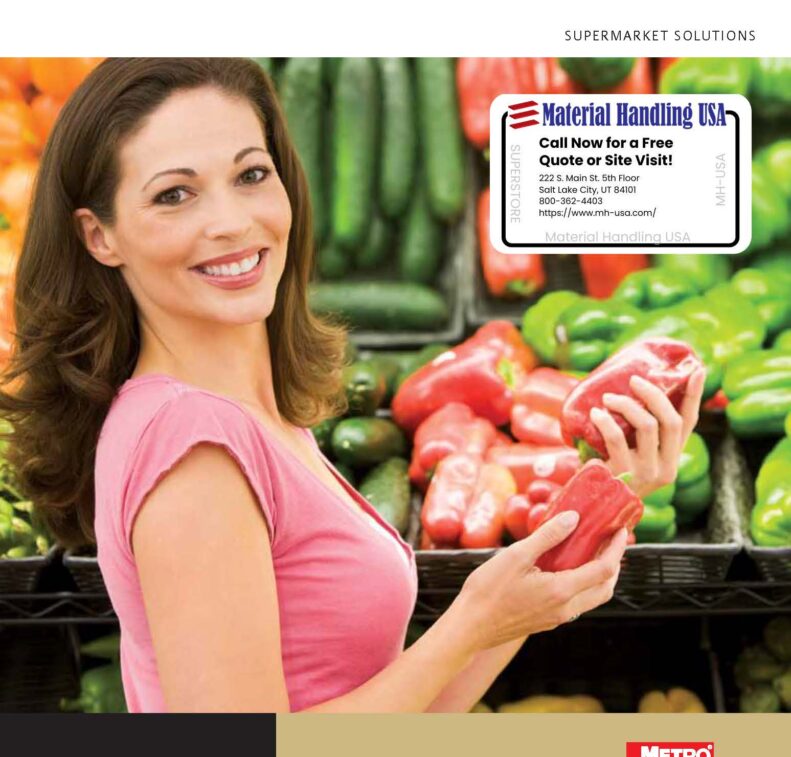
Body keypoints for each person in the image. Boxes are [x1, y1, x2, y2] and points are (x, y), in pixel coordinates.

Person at [0, 58, 705, 713]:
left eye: (250, 175)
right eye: (174, 195)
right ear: (101, 236)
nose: (232, 222)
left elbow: (398, 717)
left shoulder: (243, 409)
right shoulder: (195, 450)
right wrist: (466, 624)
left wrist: (609, 492)